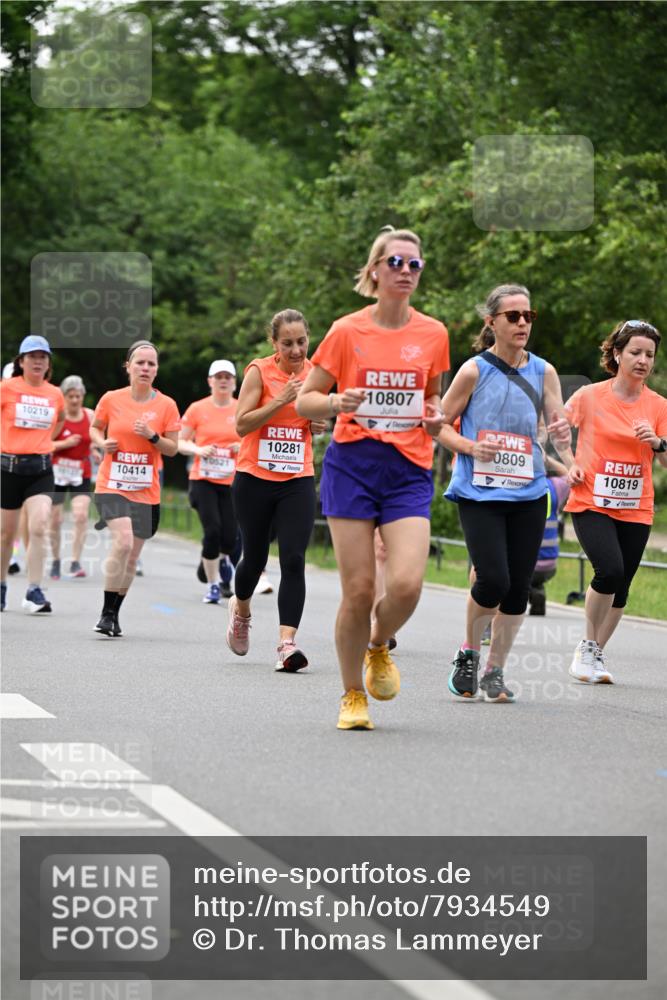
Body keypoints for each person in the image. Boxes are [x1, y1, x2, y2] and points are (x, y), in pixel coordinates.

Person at [297, 226, 450, 730]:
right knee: (359, 590)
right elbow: (306, 399)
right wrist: (336, 402)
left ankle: (378, 644)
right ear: (375, 270)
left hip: (407, 469)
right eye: (395, 263)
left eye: (414, 264)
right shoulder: (346, 331)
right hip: (353, 464)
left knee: (405, 584)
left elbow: (433, 399)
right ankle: (351, 695)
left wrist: (433, 415)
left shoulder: (433, 334)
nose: (405, 271)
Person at [438, 284, 574, 703]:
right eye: (512, 316)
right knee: (493, 578)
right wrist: (469, 447)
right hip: (481, 492)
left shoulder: (544, 371)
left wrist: (569, 455)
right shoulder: (473, 370)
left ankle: (495, 670)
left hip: (529, 491)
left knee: (519, 588)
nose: (521, 324)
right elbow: (438, 425)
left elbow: (557, 425)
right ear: (491, 322)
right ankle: (469, 653)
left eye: (527, 316)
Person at [565, 320, 667, 683]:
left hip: (636, 505)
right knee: (609, 570)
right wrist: (568, 464)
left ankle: (593, 654)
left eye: (649, 355)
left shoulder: (658, 405)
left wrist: (657, 442)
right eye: (636, 352)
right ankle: (588, 649)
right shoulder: (590, 396)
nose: (643, 360)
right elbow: (555, 433)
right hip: (591, 499)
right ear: (617, 353)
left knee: (622, 583)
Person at [227, 309, 326, 671]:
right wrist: (281, 399)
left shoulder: (317, 373)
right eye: (287, 343)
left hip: (297, 478)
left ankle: (287, 644)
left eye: (301, 341)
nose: (296, 350)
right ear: (274, 344)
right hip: (254, 478)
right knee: (253, 558)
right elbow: (241, 425)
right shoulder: (258, 371)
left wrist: (318, 424)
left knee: (294, 559)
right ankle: (241, 610)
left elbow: (320, 417)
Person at [89, 340, 180, 636]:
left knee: (131, 556)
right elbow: (95, 426)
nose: (145, 368)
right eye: (140, 362)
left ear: (156, 370)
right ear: (128, 367)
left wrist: (153, 436)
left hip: (145, 490)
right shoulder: (111, 399)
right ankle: (104, 614)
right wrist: (102, 442)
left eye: (151, 364)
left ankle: (114, 614)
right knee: (124, 542)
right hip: (111, 484)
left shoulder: (166, 405)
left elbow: (172, 450)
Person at [0, 335, 65, 613]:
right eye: (33, 356)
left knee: (39, 525)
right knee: (6, 533)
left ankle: (34, 590)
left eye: (43, 357)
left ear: (48, 363)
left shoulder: (55, 394)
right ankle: (1, 584)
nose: (38, 361)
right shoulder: (7, 388)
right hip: (9, 469)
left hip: (40, 469)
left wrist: (46, 441)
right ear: (22, 361)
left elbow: (60, 419)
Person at [179, 359, 241, 604]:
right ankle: (214, 585)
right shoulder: (197, 408)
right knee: (212, 531)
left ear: (235, 382)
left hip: (232, 481)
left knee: (230, 537)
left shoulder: (242, 408)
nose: (223, 381)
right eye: (219, 377)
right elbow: (179, 442)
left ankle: (222, 559)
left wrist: (242, 445)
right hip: (203, 479)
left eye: (228, 377)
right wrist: (198, 449)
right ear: (210, 381)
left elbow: (257, 441)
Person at [49, 375, 99, 579]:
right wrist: (65, 443)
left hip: (81, 472)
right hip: (57, 472)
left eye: (78, 396)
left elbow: (94, 438)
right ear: (64, 397)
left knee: (80, 515)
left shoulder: (90, 415)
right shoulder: (57, 417)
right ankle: (55, 560)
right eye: (71, 396)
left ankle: (75, 561)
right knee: (55, 519)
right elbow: (43, 444)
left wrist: (95, 449)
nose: (75, 400)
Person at [528, 456, 570, 615]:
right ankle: (537, 589)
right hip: (550, 563)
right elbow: (569, 474)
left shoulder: (518, 488)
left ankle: (528, 591)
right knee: (534, 579)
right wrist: (547, 458)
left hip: (527, 565)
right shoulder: (553, 487)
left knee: (511, 577)